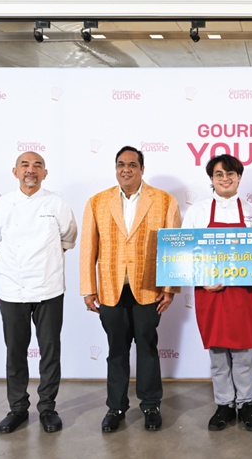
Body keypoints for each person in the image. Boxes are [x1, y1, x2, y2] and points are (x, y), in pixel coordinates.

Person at [80, 146, 180, 433]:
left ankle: (151, 405)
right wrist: (88, 288)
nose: (126, 169)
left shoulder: (164, 200)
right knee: (116, 350)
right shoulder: (97, 201)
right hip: (110, 289)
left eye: (132, 165)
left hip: (149, 288)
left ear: (142, 169)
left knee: (147, 348)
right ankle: (116, 407)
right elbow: (88, 248)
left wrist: (170, 288)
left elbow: (173, 246)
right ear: (116, 168)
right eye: (121, 164)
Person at [0, 152, 78, 434]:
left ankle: (47, 408)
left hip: (49, 289)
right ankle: (17, 409)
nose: (31, 170)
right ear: (15, 171)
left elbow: (68, 238)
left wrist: (45, 263)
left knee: (50, 351)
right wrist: (16, 267)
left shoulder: (57, 204)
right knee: (15, 353)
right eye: (25, 165)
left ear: (45, 173)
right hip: (13, 290)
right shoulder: (0, 206)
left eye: (37, 165)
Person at [181, 154, 252, 432]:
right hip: (210, 291)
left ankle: (247, 403)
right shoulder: (197, 211)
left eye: (230, 174)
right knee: (218, 354)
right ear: (211, 179)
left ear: (239, 177)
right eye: (219, 174)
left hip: (242, 292)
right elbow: (184, 252)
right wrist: (201, 279)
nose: (225, 179)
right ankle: (224, 405)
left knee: (243, 353)